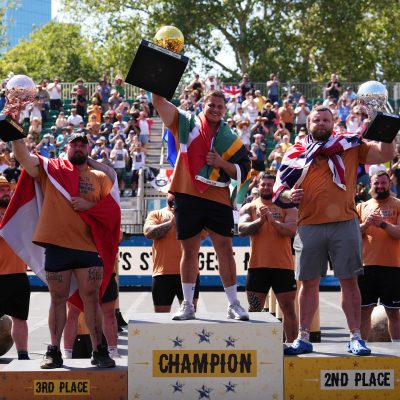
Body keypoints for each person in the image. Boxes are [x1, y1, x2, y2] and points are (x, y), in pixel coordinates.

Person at [274, 105, 395, 356]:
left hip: (345, 223)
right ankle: (303, 337)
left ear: (333, 123)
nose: (321, 123)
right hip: (309, 225)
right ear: (308, 125)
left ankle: (355, 337)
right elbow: (280, 189)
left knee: (349, 282)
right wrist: (289, 195)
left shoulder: (350, 145)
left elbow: (385, 152)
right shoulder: (296, 152)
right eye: (316, 120)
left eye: (326, 119)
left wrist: (386, 127)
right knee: (308, 284)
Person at [10, 132, 121, 368]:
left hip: (88, 248)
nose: (79, 147)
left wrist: (90, 205)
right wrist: (16, 135)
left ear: (88, 149)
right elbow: (23, 158)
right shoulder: (51, 170)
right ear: (67, 148)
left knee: (92, 300)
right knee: (57, 300)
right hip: (57, 247)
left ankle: (99, 350)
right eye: (74, 144)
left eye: (83, 144)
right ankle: (54, 350)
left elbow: (112, 212)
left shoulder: (101, 177)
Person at [152, 90, 251, 321]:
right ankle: (188, 304)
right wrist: (158, 81)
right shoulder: (186, 123)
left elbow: (244, 169)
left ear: (225, 110)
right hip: (187, 194)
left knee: (225, 250)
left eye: (220, 106)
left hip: (218, 196)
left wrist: (221, 163)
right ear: (202, 105)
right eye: (211, 105)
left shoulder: (230, 138)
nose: (215, 109)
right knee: (189, 251)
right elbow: (158, 101)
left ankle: (233, 303)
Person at [238, 173, 298, 341]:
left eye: (269, 185)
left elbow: (292, 230)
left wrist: (272, 221)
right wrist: (260, 221)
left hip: (283, 267)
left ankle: (291, 345)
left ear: (275, 186)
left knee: (288, 309)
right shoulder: (250, 206)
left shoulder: (288, 206)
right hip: (258, 267)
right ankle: (255, 347)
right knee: (254, 310)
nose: (266, 187)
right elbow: (241, 230)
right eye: (263, 184)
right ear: (259, 185)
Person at [357, 171, 400, 342]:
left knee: (394, 313)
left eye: (383, 183)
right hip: (366, 267)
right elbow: (352, 234)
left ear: (390, 184)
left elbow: (398, 233)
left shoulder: (397, 204)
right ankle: (361, 346)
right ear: (370, 185)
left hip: (392, 267)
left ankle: (398, 350)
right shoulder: (362, 207)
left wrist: (382, 224)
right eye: (376, 183)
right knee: (364, 312)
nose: (380, 186)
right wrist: (366, 224)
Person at [144, 193, 200, 312]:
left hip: (189, 272)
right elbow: (148, 233)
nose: (175, 195)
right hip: (162, 274)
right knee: (161, 317)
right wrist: (171, 223)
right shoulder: (156, 214)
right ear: (167, 194)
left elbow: (203, 234)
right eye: (172, 192)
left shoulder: (192, 214)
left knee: (190, 316)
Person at [0, 176, 30, 360]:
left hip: (18, 274)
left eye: (8, 190)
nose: (6, 193)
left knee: (20, 319)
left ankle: (23, 356)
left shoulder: (17, 213)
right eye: (1, 190)